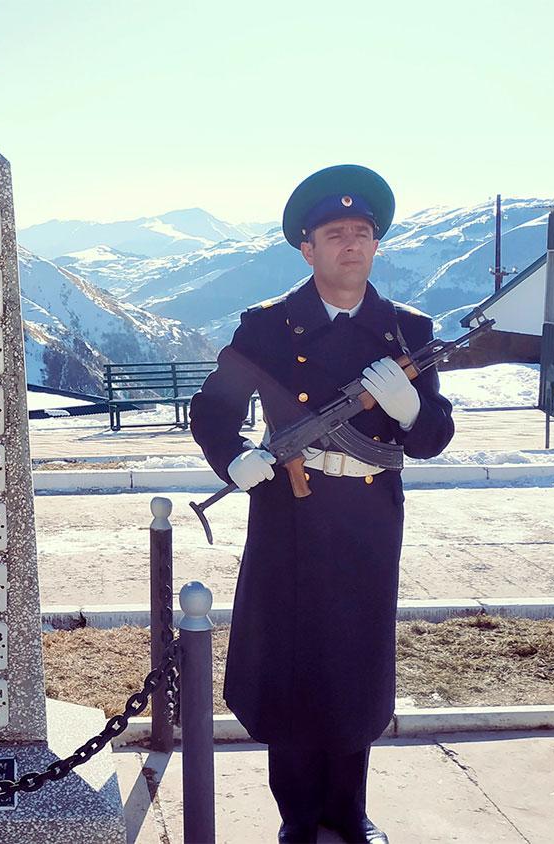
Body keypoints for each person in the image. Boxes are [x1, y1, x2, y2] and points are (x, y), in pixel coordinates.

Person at [189, 165, 454, 843]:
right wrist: (234, 458)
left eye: (362, 232)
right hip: (291, 516)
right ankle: (299, 818)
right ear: (307, 250)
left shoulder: (407, 330)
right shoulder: (268, 327)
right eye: (335, 234)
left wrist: (411, 407)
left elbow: (433, 438)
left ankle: (348, 811)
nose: (351, 244)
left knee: (355, 660)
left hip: (368, 520)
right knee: (292, 659)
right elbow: (213, 409)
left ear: (376, 245)